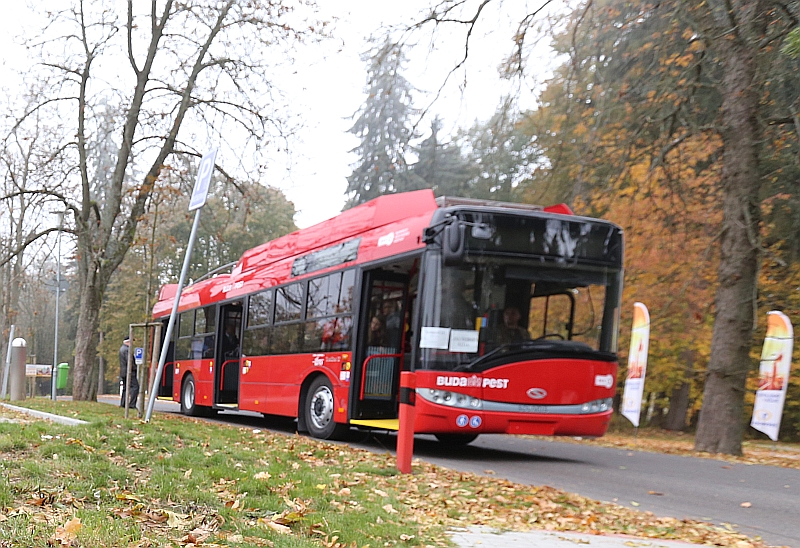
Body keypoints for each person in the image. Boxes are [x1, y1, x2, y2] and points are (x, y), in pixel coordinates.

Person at [119, 336, 139, 408]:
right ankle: (132, 404)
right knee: (135, 387)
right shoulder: (127, 350)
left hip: (123, 372)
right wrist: (134, 368)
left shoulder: (122, 349)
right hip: (129, 372)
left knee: (126, 388)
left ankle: (123, 403)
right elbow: (129, 361)